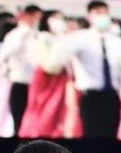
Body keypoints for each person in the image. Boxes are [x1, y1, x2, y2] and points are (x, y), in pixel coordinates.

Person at [50, 1, 121, 138]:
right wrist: (62, 34)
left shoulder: (116, 40)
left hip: (112, 95)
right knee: (92, 134)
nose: (102, 16)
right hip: (91, 95)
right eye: (98, 13)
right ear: (89, 16)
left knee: (112, 134)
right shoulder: (81, 37)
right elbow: (59, 57)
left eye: (105, 13)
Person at [18, 9, 81, 139]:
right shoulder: (42, 37)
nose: (59, 22)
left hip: (62, 78)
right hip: (46, 79)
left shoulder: (65, 38)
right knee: (44, 109)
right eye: (55, 18)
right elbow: (47, 64)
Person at [0, 4, 43, 132]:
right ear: (28, 16)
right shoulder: (16, 35)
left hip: (37, 84)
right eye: (35, 17)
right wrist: (9, 70)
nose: (37, 21)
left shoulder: (38, 35)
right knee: (20, 121)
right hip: (21, 83)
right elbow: (1, 57)